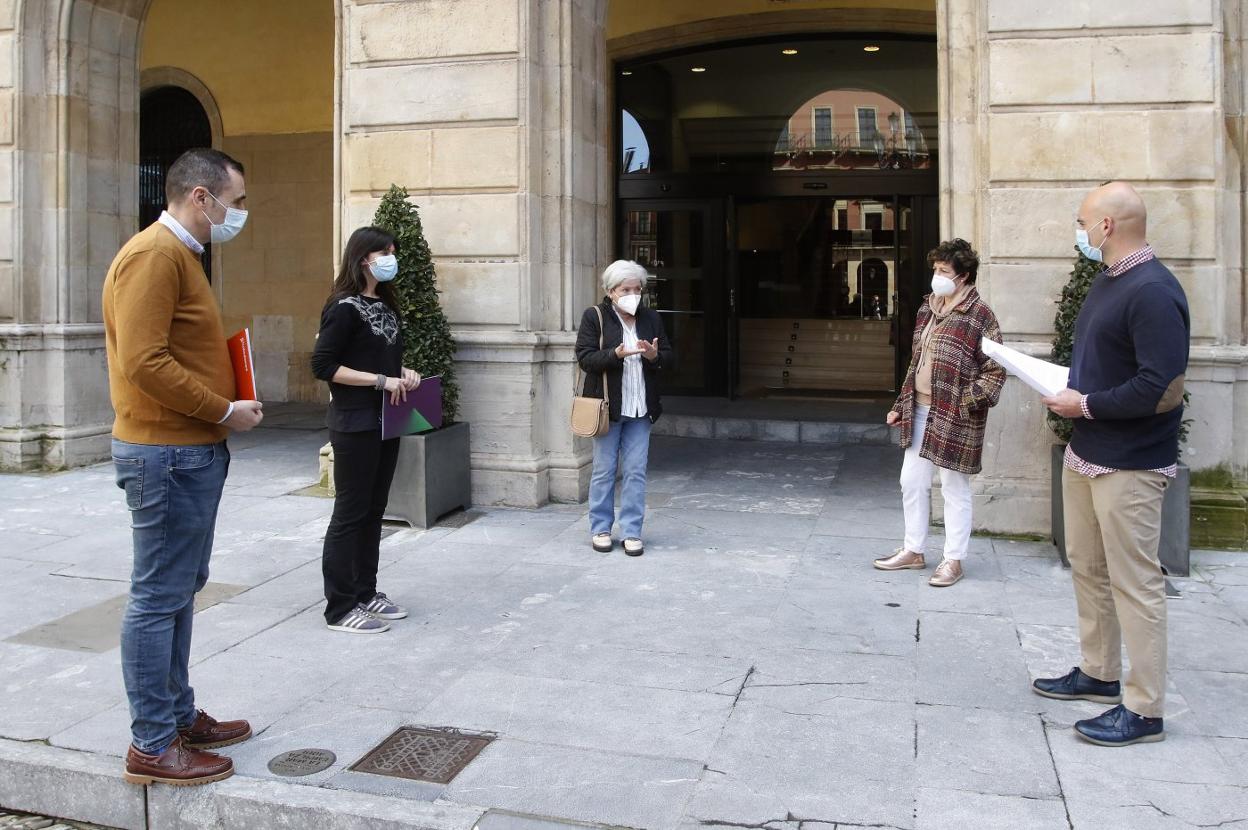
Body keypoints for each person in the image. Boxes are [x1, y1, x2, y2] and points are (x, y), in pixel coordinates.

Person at [104, 148, 263, 786]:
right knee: (158, 595)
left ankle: (175, 715)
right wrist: (222, 406)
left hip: (184, 451)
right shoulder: (154, 255)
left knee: (178, 588)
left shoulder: (179, 256)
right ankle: (151, 743)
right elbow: (145, 361)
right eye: (236, 200)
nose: (239, 213)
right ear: (201, 196)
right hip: (166, 451)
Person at [1035, 182, 1189, 747]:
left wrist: (1087, 404)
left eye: (1082, 221)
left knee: (1135, 582)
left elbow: (1164, 387)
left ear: (1106, 227)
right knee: (1089, 567)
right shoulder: (1110, 279)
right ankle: (1099, 674)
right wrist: (1064, 386)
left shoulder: (1151, 289)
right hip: (1088, 451)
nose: (1077, 231)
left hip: (1130, 463)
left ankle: (1144, 708)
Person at [875, 239, 1005, 587]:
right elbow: (915, 363)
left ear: (963, 276)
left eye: (944, 271)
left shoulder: (981, 316)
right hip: (919, 408)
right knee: (911, 482)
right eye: (935, 269)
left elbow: (995, 372)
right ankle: (913, 550)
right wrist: (900, 405)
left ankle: (953, 560)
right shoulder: (927, 309)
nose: (937, 276)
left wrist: (964, 401)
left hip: (955, 414)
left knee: (953, 486)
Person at [311, 227, 421, 634]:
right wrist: (380, 381)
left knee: (375, 511)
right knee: (350, 514)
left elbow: (384, 361)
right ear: (363, 258)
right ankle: (339, 607)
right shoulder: (343, 307)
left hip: (387, 422)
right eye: (385, 252)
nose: (391, 257)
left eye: (393, 250)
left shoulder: (386, 306)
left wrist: (403, 374)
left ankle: (365, 591)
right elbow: (323, 366)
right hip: (355, 422)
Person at [575, 260, 673, 557]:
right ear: (611, 291)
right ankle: (601, 528)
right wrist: (615, 355)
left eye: (637, 288)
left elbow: (669, 358)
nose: (633, 294)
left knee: (635, 471)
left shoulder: (651, 318)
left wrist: (655, 356)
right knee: (604, 470)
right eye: (625, 289)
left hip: (641, 409)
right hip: (609, 408)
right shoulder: (595, 317)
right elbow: (585, 358)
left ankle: (632, 531)